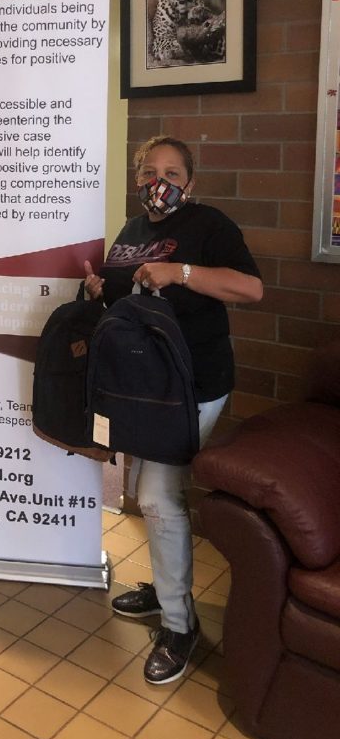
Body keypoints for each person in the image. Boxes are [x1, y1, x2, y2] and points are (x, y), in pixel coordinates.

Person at [83, 135, 262, 684]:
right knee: (149, 489)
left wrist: (180, 272)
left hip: (195, 385)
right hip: (145, 387)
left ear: (191, 182)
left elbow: (251, 289)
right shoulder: (132, 232)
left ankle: (180, 625)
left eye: (173, 172)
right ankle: (165, 593)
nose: (159, 181)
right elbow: (124, 295)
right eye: (149, 171)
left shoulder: (210, 226)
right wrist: (98, 291)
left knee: (159, 497)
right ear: (138, 178)